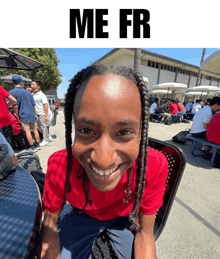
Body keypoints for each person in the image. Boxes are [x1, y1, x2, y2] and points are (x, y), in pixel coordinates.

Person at [37, 65, 169, 259]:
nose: (104, 160)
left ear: (141, 133)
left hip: (123, 221)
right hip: (80, 217)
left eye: (124, 132)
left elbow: (145, 233)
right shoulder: (60, 165)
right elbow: (49, 225)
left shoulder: (153, 165)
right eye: (87, 130)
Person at [9, 75, 41, 152]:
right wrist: (35, 114)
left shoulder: (12, 92)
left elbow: (15, 106)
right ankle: (38, 144)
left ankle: (32, 147)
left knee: (27, 131)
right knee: (35, 129)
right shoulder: (28, 93)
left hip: (23, 114)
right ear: (21, 83)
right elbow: (33, 105)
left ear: (13, 83)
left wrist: (17, 117)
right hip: (31, 114)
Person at [31, 80, 50, 146]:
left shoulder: (42, 95)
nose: (31, 86)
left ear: (38, 86)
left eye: (33, 85)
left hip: (42, 113)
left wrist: (46, 116)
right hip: (35, 114)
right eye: (31, 85)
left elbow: (46, 105)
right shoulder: (32, 94)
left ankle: (46, 140)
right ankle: (48, 136)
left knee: (43, 127)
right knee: (39, 127)